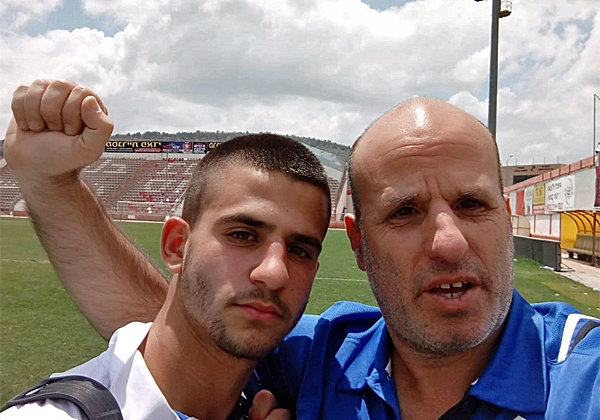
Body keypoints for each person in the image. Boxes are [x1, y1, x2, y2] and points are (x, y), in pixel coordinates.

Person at [5, 80, 599, 419]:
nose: (448, 241)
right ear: (359, 245)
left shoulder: (582, 374)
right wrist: (52, 185)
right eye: (405, 212)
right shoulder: (321, 358)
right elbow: (185, 330)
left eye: (472, 204)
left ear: (505, 219)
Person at [2, 80, 333, 420]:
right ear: (177, 246)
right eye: (242, 235)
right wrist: (49, 181)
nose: (275, 272)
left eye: (300, 251)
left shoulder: (314, 362)